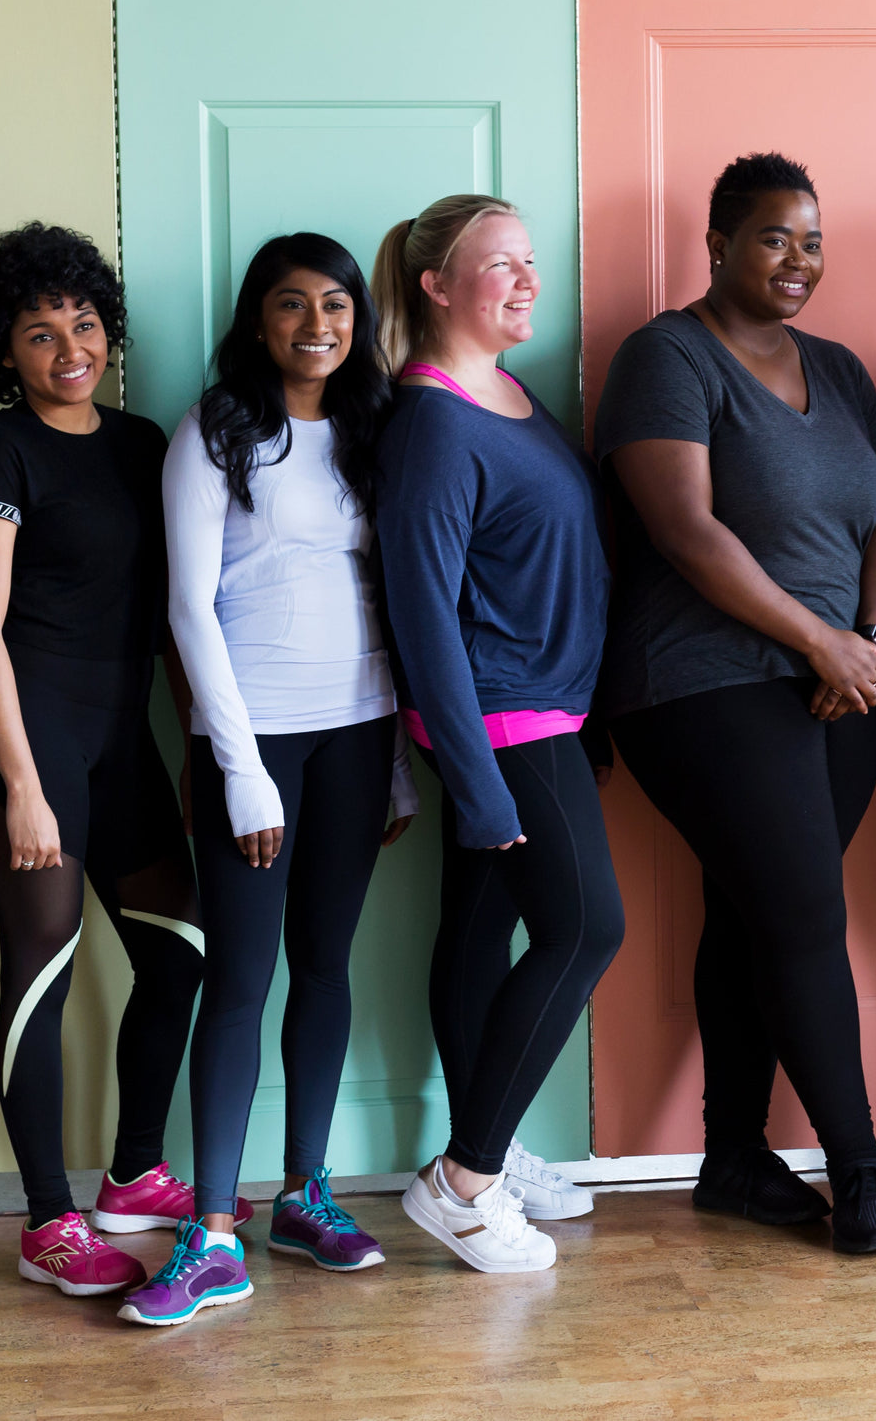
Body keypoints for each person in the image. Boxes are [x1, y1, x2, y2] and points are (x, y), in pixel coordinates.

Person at [596, 152, 876, 1254]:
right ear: (718, 243)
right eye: (775, 236)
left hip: (840, 684)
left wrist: (869, 643)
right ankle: (865, 1176)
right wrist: (821, 640)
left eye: (812, 240)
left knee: (759, 910)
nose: (797, 259)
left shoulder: (844, 370)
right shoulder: (667, 357)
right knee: (807, 915)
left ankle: (731, 1158)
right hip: (700, 679)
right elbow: (687, 533)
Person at [118, 232, 418, 1327]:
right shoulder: (217, 431)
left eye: (336, 304)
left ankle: (306, 1193)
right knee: (240, 980)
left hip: (359, 731)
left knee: (324, 964)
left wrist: (393, 767)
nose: (317, 325)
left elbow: (394, 597)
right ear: (258, 321)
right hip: (255, 740)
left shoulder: (377, 430)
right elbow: (188, 609)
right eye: (291, 306)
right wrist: (238, 770)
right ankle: (210, 1231)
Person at [0, 222, 250, 1300]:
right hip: (33, 747)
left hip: (125, 742)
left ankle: (134, 1172)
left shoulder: (139, 445)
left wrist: (195, 742)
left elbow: (178, 614)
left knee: (178, 951)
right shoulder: (0, 452)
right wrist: (20, 786)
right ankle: (46, 1222)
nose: (67, 346)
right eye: (39, 332)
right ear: (7, 350)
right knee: (42, 967)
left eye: (82, 322)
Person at [372, 194, 624, 1274]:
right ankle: (463, 1183)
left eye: (531, 262)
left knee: (478, 934)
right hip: (500, 716)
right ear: (435, 286)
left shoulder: (511, 392)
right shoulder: (430, 419)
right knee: (583, 930)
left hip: (546, 706)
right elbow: (420, 609)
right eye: (499, 265)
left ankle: (495, 1146)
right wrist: (474, 782)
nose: (527, 280)